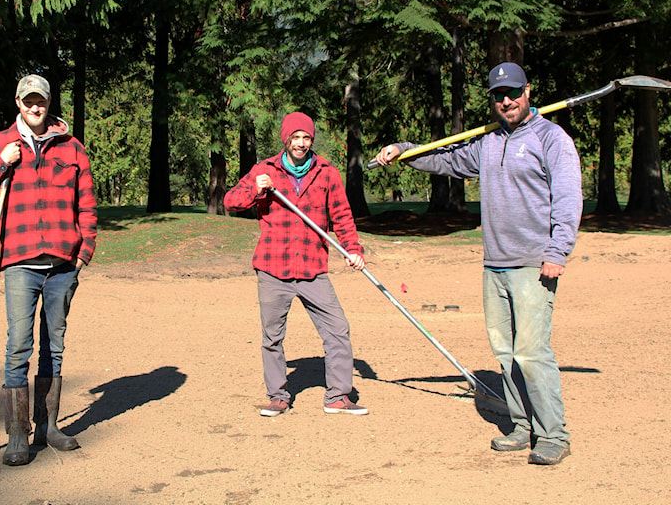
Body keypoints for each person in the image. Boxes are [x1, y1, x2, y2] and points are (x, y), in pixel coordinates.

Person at [373, 61, 582, 465]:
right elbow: (446, 160)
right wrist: (404, 151)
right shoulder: (488, 141)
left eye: (513, 93)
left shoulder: (551, 139)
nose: (506, 101)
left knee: (531, 353)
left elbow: (569, 198)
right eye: (498, 96)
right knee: (504, 353)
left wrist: (558, 252)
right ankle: (522, 426)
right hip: (495, 265)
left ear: (527, 92)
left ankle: (553, 433)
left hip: (534, 263)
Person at [0, 74, 97, 466]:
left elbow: (87, 204)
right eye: (28, 101)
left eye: (41, 100)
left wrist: (83, 252)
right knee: (18, 346)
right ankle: (17, 434)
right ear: (18, 103)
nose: (35, 107)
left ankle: (48, 426)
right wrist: (0, 165)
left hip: (62, 264)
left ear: (49, 102)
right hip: (21, 263)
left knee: (54, 348)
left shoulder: (72, 149)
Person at [225, 112, 369, 417]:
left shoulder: (327, 172)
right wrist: (256, 189)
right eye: (296, 137)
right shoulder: (265, 170)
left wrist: (352, 249)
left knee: (337, 329)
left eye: (306, 138)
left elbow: (342, 216)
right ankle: (277, 395)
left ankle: (338, 397)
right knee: (272, 337)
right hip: (272, 267)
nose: (301, 143)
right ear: (285, 139)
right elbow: (231, 202)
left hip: (313, 268)